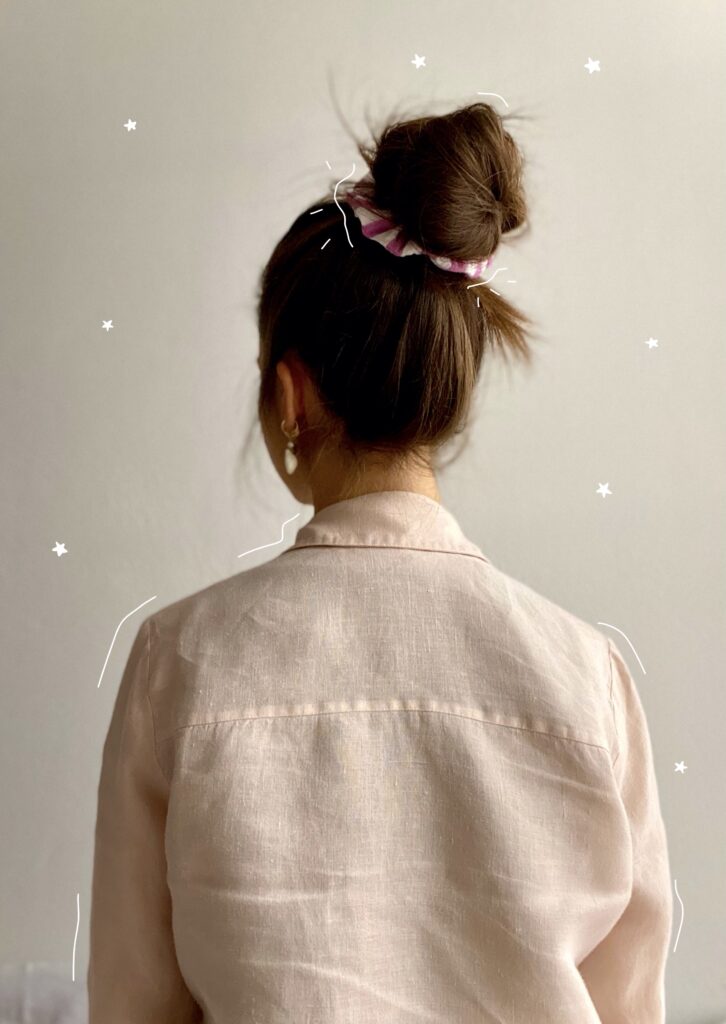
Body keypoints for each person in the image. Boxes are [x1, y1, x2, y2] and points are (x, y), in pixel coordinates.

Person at [87, 101, 673, 1022]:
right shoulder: (588, 676)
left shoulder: (180, 660)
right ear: (449, 388)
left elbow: (134, 1006)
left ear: (291, 395)